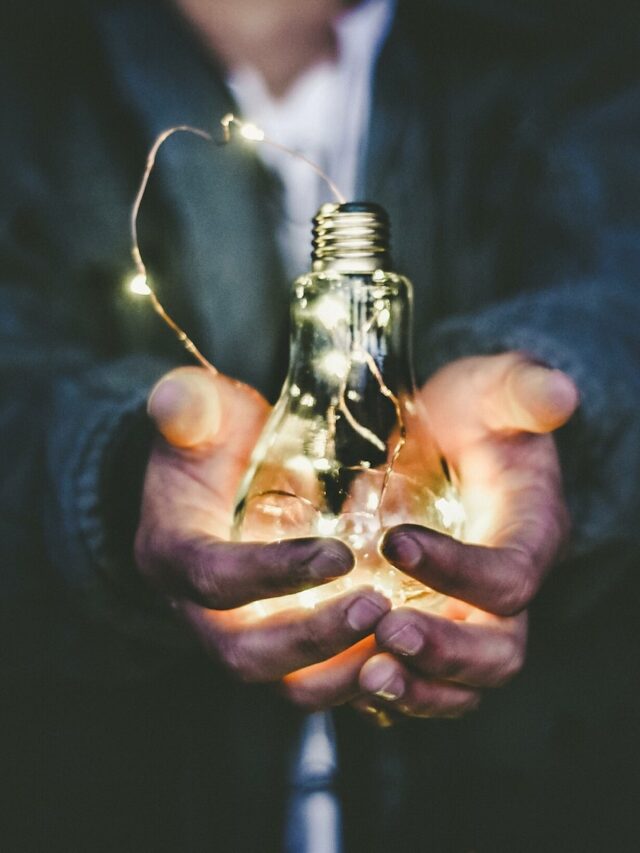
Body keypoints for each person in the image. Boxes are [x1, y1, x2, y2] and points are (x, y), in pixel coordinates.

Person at [1, 0, 639, 850]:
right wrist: (116, 480)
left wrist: (557, 401)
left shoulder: (570, 44)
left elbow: (622, 277)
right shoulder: (38, 73)